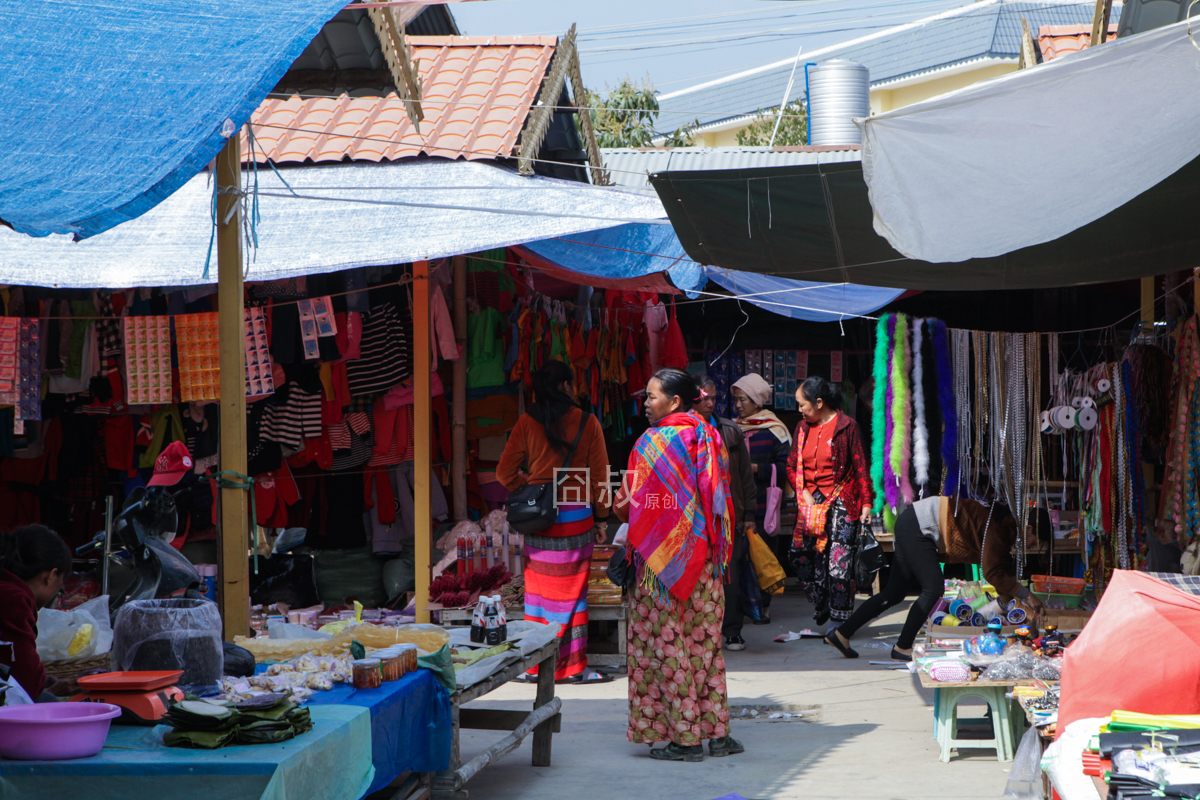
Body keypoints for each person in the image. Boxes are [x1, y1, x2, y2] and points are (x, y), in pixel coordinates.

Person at [615, 368, 742, 762]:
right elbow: (719, 499)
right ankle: (718, 735)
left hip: (661, 569)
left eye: (652, 397)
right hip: (706, 563)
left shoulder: (653, 441)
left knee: (667, 648)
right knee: (704, 647)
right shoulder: (709, 434)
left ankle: (685, 739)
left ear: (673, 401)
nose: (646, 403)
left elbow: (627, 504)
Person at [497, 360, 613, 684]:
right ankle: (575, 669)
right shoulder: (588, 422)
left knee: (538, 595)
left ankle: (535, 668)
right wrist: (602, 519)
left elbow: (503, 474)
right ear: (565, 386)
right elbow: (602, 477)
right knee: (574, 596)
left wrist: (530, 488)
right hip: (576, 516)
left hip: (539, 519)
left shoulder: (525, 422)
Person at [828, 500, 1052, 660]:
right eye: (1035, 539)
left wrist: (1008, 601)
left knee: (893, 593)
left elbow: (1001, 570)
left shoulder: (1005, 528)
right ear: (1028, 528)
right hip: (918, 525)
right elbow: (993, 573)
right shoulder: (1000, 528)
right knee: (933, 588)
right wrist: (1027, 595)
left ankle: (841, 634)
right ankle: (903, 647)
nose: (1032, 545)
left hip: (912, 522)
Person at [787, 376, 873, 629]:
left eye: (802, 404)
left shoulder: (848, 426)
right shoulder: (802, 428)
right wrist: (800, 489)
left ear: (819, 402)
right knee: (799, 554)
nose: (800, 410)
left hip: (843, 500)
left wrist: (866, 502)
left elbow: (860, 467)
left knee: (839, 561)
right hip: (811, 501)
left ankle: (840, 621)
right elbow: (792, 466)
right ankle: (820, 601)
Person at [695, 374, 757, 652]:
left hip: (730, 515)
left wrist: (749, 515)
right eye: (703, 397)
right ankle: (701, 630)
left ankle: (732, 630)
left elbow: (745, 476)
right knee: (699, 575)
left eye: (713, 397)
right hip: (696, 517)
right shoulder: (682, 431)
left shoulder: (729, 430)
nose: (709, 403)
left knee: (730, 575)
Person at [730, 372, 792, 624]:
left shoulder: (774, 431)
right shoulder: (732, 428)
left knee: (763, 555)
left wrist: (754, 469)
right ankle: (741, 606)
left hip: (764, 505)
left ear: (757, 401)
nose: (738, 405)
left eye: (743, 400)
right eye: (735, 400)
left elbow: (787, 467)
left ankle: (762, 606)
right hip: (738, 502)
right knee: (738, 556)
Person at [0, 525, 75, 702]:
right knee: (47, 702)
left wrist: (46, 681)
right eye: (61, 582)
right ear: (51, 575)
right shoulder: (12, 599)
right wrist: (51, 688)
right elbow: (29, 684)